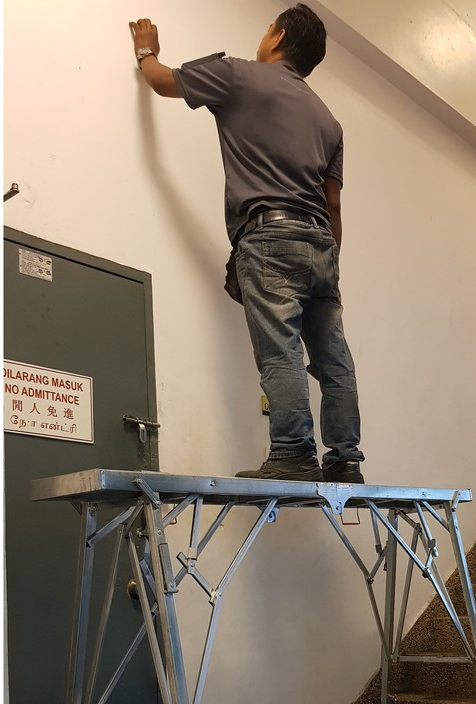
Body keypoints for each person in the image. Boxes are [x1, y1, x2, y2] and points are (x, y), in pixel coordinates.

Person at [129, 6, 365, 483]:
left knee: (280, 350)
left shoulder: (237, 75)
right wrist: (329, 264)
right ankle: (345, 459)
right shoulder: (330, 123)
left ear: (277, 36)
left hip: (270, 235)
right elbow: (334, 204)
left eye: (267, 28)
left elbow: (161, 80)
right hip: (322, 243)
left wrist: (145, 49)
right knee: (333, 357)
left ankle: (294, 454)